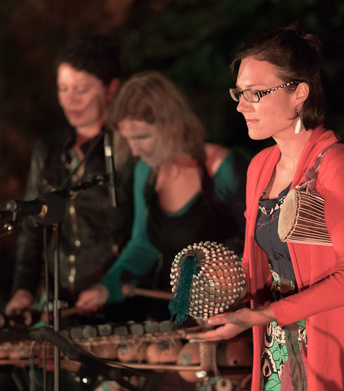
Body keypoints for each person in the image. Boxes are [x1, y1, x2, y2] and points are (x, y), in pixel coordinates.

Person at [187, 25, 344, 391]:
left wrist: (263, 314)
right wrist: (227, 304)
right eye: (239, 93)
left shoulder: (338, 165)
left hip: (334, 346)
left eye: (255, 93)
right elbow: (265, 267)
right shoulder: (260, 167)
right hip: (280, 350)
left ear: (299, 93)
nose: (240, 106)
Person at [76, 70, 248, 324]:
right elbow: (142, 246)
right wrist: (106, 287)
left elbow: (258, 246)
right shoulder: (146, 172)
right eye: (128, 139)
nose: (134, 149)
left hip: (225, 320)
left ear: (172, 126)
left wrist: (222, 287)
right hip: (169, 316)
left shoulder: (221, 169)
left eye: (142, 137)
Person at [4, 33, 134, 325]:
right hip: (58, 306)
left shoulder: (129, 147)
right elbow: (31, 229)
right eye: (63, 89)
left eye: (81, 89)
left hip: (118, 304)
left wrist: (109, 286)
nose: (69, 100)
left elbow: (141, 234)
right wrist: (23, 290)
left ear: (111, 89)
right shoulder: (48, 150)